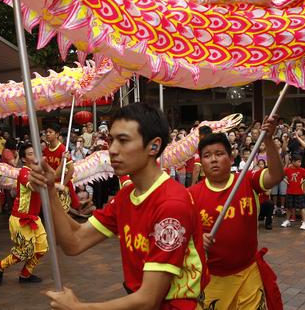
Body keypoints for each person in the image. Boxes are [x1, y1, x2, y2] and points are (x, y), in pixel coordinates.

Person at [38, 102, 208, 309]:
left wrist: (79, 308)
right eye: (111, 140)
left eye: (123, 141)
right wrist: (49, 190)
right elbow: (74, 241)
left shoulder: (171, 205)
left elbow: (148, 300)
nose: (112, 150)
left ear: (154, 146)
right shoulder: (126, 195)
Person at [189, 127, 284, 309]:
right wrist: (197, 240)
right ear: (201, 162)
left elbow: (277, 175)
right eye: (207, 156)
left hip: (248, 274)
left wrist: (269, 140)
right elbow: (182, 237)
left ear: (231, 158)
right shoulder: (191, 195)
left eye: (219, 154)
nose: (214, 159)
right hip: (212, 280)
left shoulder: (247, 180)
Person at [0, 143, 48, 285]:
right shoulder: (24, 172)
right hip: (20, 218)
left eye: (35, 152)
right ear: (23, 159)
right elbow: (34, 187)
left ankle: (25, 275)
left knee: (42, 248)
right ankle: (0, 266)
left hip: (34, 218)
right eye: (30, 154)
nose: (34, 155)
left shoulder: (39, 171)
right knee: (26, 250)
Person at [282, 155, 305, 230]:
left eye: (300, 162)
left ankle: (304, 222)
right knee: (289, 207)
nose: (300, 163)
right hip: (290, 192)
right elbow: (281, 176)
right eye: (298, 162)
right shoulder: (287, 169)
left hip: (299, 192)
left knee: (302, 207)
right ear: (293, 162)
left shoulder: (301, 170)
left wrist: (303, 181)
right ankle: (287, 220)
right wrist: (286, 182)